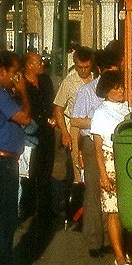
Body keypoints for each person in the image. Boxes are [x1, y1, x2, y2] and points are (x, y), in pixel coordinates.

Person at [70, 48, 120, 256]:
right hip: (93, 142)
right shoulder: (87, 91)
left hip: (115, 143)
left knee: (113, 191)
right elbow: (75, 119)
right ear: (100, 70)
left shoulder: (121, 89)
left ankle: (112, 238)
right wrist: (99, 122)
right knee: (93, 190)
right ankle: (94, 240)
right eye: (109, 70)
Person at [89, 70, 132, 265]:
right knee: (113, 209)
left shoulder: (128, 108)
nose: (121, 90)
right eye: (116, 87)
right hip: (109, 159)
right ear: (107, 91)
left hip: (128, 159)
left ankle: (129, 247)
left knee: (128, 207)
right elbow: (97, 146)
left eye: (122, 86)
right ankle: (119, 255)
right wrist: (103, 174)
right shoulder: (100, 112)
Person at [0, 51, 32, 265]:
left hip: (8, 160)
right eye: (13, 73)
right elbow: (25, 118)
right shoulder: (2, 95)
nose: (16, 77)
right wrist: (23, 90)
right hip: (3, 162)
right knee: (7, 220)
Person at [51, 46, 92, 231]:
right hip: (74, 128)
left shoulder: (97, 79)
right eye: (80, 67)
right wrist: (65, 132)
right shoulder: (69, 82)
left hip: (92, 129)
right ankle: (75, 212)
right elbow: (58, 108)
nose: (83, 70)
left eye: (86, 67)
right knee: (78, 170)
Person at [20, 52, 55, 223]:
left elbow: (51, 103)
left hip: (47, 131)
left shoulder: (45, 81)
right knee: (30, 171)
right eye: (37, 62)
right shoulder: (21, 84)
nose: (41, 64)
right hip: (30, 131)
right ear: (28, 65)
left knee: (46, 171)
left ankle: (45, 210)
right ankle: (27, 208)